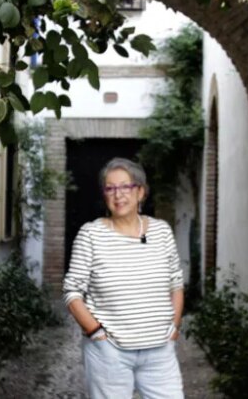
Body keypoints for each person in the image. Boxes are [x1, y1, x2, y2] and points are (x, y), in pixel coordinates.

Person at [63, 157, 185, 399]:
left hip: (160, 351)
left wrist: (174, 327)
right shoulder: (91, 234)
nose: (118, 195)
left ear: (140, 192)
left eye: (125, 187)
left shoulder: (161, 231)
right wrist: (96, 333)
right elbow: (72, 292)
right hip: (110, 353)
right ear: (105, 195)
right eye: (110, 188)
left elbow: (176, 283)